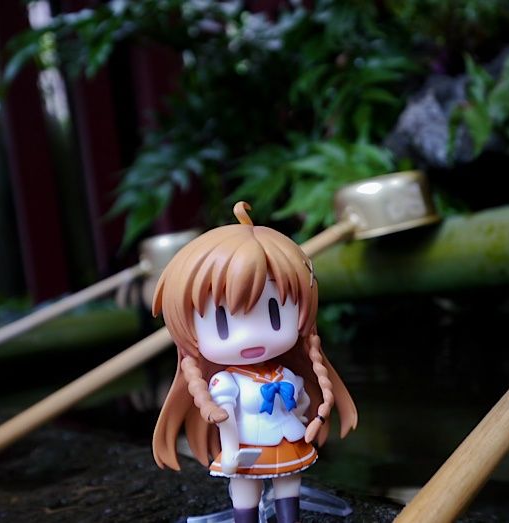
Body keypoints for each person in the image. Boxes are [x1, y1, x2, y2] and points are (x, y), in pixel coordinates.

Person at [152, 201, 357, 523]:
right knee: (246, 490)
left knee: (289, 485)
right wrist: (231, 450)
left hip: (288, 439)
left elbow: (301, 401)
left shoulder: (287, 373)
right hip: (247, 446)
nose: (250, 337)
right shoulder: (225, 382)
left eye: (275, 314)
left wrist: (308, 419)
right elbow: (225, 419)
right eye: (222, 322)